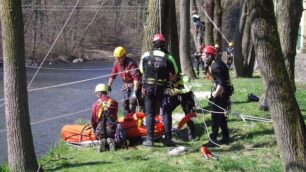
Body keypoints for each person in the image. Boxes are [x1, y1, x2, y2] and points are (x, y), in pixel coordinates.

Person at [140, 33, 179, 147]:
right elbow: (175, 73)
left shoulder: (146, 55)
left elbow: (142, 71)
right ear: (164, 44)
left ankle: (150, 139)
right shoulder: (169, 58)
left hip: (149, 88)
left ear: (153, 44)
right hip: (163, 88)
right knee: (166, 113)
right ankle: (168, 139)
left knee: (150, 113)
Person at [201, 45, 233, 147]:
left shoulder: (215, 66)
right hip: (225, 91)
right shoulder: (217, 63)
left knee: (215, 116)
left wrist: (215, 93)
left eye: (203, 55)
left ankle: (213, 139)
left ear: (210, 56)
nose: (202, 57)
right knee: (220, 115)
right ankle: (226, 137)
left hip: (221, 92)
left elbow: (221, 82)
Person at [108, 46, 144, 115]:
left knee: (133, 101)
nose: (117, 59)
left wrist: (135, 91)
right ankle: (127, 118)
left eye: (119, 57)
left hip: (136, 84)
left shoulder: (131, 64)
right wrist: (109, 85)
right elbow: (112, 75)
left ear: (124, 56)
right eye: (116, 57)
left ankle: (137, 114)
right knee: (124, 103)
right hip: (126, 85)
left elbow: (136, 78)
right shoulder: (116, 63)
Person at [162, 74, 196, 141]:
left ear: (176, 75)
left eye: (172, 76)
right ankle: (167, 133)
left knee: (189, 114)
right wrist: (170, 91)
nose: (170, 78)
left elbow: (188, 88)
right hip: (175, 96)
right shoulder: (167, 79)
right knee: (167, 111)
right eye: (169, 76)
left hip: (186, 96)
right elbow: (165, 90)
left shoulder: (184, 78)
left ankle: (191, 135)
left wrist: (178, 90)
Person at [91, 83, 119, 152]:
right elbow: (115, 116)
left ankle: (103, 140)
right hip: (112, 129)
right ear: (106, 92)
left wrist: (94, 129)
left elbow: (93, 121)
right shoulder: (114, 102)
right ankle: (110, 139)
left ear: (98, 93)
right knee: (112, 128)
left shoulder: (95, 105)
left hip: (100, 131)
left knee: (100, 132)